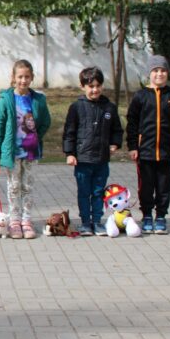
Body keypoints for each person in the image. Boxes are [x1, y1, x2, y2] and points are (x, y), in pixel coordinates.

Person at [0, 58, 51, 239]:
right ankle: (14, 221)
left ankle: (26, 220)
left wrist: (35, 136)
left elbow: (45, 122)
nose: (23, 80)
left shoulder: (38, 99)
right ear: (13, 77)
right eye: (20, 77)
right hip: (12, 152)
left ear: (32, 78)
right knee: (14, 186)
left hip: (31, 152)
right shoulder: (5, 99)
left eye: (27, 77)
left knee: (27, 186)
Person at [125, 55, 170, 234]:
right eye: (156, 70)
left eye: (163, 70)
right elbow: (132, 123)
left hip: (166, 152)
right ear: (149, 73)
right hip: (145, 152)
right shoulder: (140, 96)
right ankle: (146, 215)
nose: (159, 74)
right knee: (146, 187)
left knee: (163, 187)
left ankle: (160, 216)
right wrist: (133, 146)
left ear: (167, 73)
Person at [62, 67, 123, 236]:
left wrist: (115, 144)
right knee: (84, 193)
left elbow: (117, 130)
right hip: (82, 160)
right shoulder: (76, 107)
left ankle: (97, 221)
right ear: (83, 86)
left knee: (98, 192)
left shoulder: (109, 108)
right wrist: (70, 153)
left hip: (102, 160)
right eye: (91, 86)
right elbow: (69, 132)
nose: (95, 89)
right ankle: (85, 222)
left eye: (98, 86)